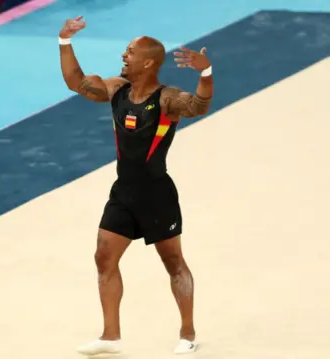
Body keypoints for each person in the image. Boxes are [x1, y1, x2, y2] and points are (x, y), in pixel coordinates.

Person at [58, 15, 214, 356]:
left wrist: (205, 73)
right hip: (123, 192)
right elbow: (76, 82)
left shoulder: (167, 98)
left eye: (130, 52)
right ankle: (110, 336)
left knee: (173, 263)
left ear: (148, 61)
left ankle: (187, 333)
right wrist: (65, 42)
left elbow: (199, 106)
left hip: (157, 194)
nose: (123, 55)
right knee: (104, 257)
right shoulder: (116, 90)